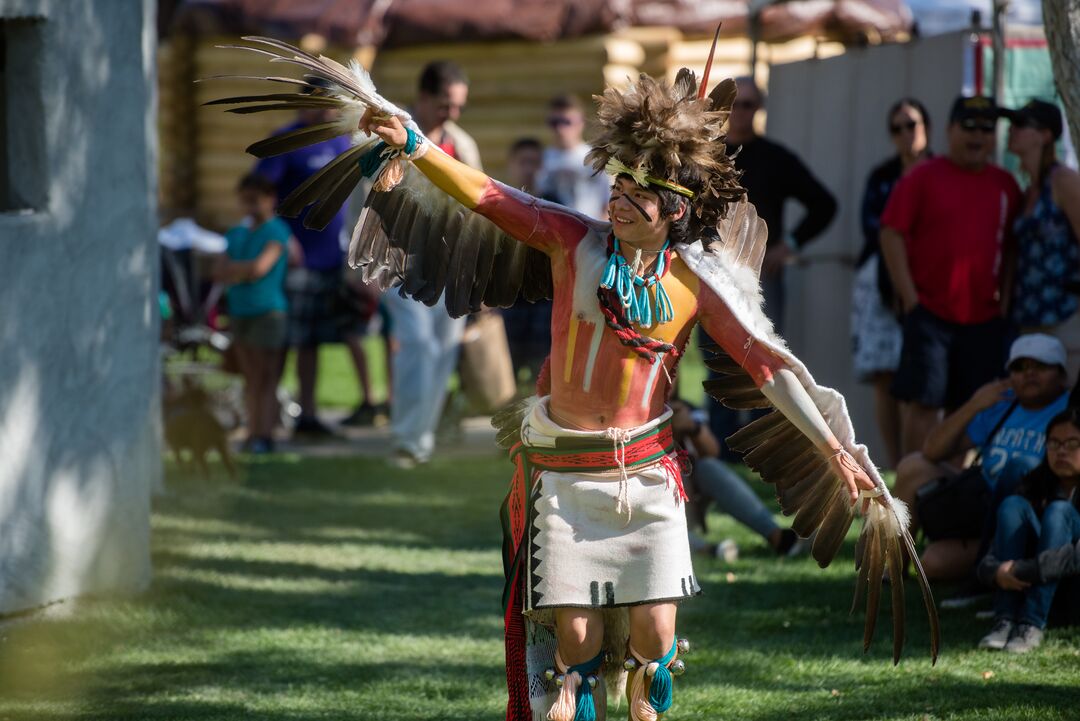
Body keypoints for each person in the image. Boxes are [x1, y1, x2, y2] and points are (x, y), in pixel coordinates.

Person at [214, 41, 939, 720]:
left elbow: (769, 364)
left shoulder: (693, 285)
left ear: (675, 211)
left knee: (657, 633)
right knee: (576, 641)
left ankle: (644, 682)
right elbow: (487, 196)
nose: (618, 197)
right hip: (562, 473)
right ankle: (569, 678)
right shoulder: (572, 242)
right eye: (618, 182)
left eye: (638, 191)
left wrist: (838, 449)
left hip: (646, 476)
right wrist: (414, 143)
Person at [880, 95, 1023, 456]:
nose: (978, 136)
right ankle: (913, 495)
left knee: (971, 407)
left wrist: (1003, 302)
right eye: (969, 127)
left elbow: (1010, 250)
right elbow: (890, 233)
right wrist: (911, 299)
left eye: (987, 129)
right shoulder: (923, 177)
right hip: (930, 314)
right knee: (924, 405)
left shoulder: (1006, 184)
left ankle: (950, 494)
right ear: (949, 130)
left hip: (984, 320)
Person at [704, 76, 838, 457]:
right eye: (732, 105)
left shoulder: (775, 158)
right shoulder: (706, 156)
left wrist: (789, 246)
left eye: (747, 105)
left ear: (758, 109)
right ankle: (720, 449)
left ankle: (763, 450)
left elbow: (824, 204)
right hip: (712, 272)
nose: (739, 113)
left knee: (763, 360)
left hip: (760, 277)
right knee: (717, 360)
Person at [893, 333, 1070, 580]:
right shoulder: (1002, 405)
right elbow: (932, 450)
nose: (1029, 373)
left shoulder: (1071, 411)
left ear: (1062, 375)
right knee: (913, 466)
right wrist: (975, 404)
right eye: (1020, 367)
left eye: (1040, 365)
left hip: (1031, 517)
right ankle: (890, 571)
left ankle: (1002, 572)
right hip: (982, 508)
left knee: (933, 565)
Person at [382, 60, 481, 468]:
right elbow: (361, 198)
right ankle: (407, 439)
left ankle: (421, 438)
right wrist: (352, 260)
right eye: (445, 104)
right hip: (396, 258)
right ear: (422, 98)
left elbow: (478, 204)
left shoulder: (462, 143)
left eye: (458, 106)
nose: (452, 113)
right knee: (417, 346)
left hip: (450, 263)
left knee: (443, 350)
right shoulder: (391, 134)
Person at [254, 108, 357, 437]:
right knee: (282, 342)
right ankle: (266, 422)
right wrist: (282, 239)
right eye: (328, 103)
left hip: (329, 260)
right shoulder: (287, 141)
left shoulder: (341, 142)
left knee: (313, 342)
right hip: (295, 263)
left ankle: (307, 416)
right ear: (308, 102)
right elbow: (260, 192)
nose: (335, 111)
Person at [851, 98, 932, 469]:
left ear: (927, 129)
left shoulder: (938, 173)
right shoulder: (883, 176)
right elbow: (874, 226)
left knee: (919, 373)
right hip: (880, 283)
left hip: (928, 282)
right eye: (897, 128)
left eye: (911, 125)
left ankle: (921, 458)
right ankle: (895, 461)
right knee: (884, 375)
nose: (905, 134)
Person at [976, 407, 1080, 653]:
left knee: (1059, 512)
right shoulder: (1036, 483)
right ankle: (1005, 620)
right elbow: (990, 557)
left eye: (1072, 443)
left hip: (1073, 592)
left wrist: (1022, 570)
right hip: (1030, 583)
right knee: (1012, 505)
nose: (1061, 451)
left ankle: (1030, 624)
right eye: (1054, 443)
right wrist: (996, 570)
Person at [1002, 99, 1080, 383]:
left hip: (1067, 320)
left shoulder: (1064, 181)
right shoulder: (1027, 189)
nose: (1012, 130)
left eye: (1021, 124)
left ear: (1045, 135)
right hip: (1029, 321)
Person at [214, 173, 290, 454]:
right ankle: (252, 432)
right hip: (240, 311)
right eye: (244, 200)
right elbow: (219, 271)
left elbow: (261, 268)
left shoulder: (277, 231)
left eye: (254, 200)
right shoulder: (236, 233)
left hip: (268, 311)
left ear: (269, 201)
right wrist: (243, 271)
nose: (249, 206)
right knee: (249, 377)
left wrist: (239, 270)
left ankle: (264, 433)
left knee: (265, 377)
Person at [669, 399, 800, 558]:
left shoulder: (683, 408)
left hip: (688, 496)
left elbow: (712, 451)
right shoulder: (638, 413)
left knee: (708, 467)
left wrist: (691, 427)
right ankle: (707, 550)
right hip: (657, 501)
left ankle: (778, 537)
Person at [501, 138, 551, 383]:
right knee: (503, 376)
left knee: (540, 379)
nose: (529, 169)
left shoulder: (555, 205)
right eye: (523, 162)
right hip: (506, 302)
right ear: (511, 165)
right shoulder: (497, 204)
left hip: (544, 305)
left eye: (535, 163)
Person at [536, 94, 611, 220]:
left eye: (566, 122)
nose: (560, 129)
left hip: (592, 230)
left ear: (581, 122)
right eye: (554, 123)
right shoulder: (539, 159)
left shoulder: (596, 157)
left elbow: (608, 200)